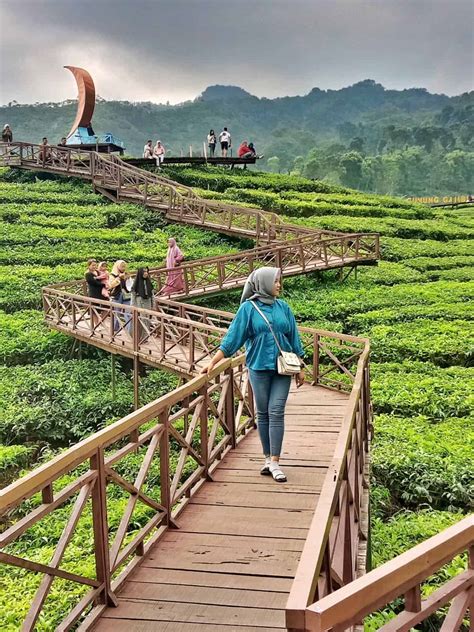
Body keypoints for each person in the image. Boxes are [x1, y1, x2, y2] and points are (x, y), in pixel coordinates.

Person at [201, 267, 305, 483]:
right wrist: (212, 362)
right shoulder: (248, 309)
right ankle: (267, 458)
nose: (279, 285)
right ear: (264, 283)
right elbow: (233, 338)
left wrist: (301, 365)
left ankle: (275, 461)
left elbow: (294, 337)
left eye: (279, 281)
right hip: (258, 366)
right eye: (276, 281)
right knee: (263, 413)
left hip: (282, 368)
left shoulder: (284, 308)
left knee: (276, 411)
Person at [109, 260, 132, 333]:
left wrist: (128, 278)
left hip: (126, 295)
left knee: (128, 312)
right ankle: (115, 330)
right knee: (116, 312)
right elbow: (111, 285)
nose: (123, 268)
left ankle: (130, 330)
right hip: (117, 295)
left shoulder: (126, 273)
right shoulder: (112, 275)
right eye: (122, 266)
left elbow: (130, 284)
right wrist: (119, 278)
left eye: (124, 266)